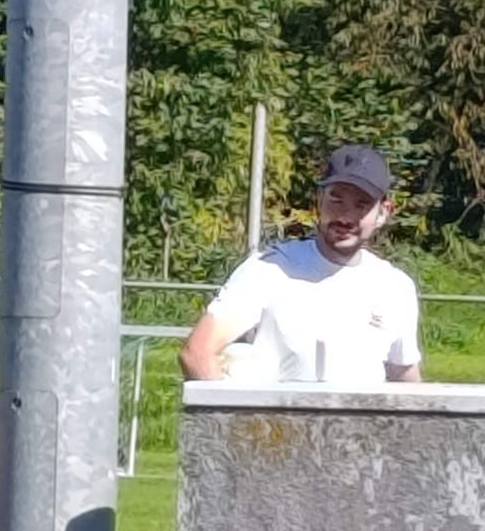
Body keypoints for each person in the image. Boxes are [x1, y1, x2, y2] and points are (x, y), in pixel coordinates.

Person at [178, 144, 422, 385]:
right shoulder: (268, 270)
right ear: (319, 200)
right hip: (277, 414)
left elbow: (405, 380)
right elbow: (197, 354)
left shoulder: (395, 288)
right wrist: (231, 409)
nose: (345, 217)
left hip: (364, 414)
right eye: (336, 200)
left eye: (361, 204)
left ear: (383, 212)